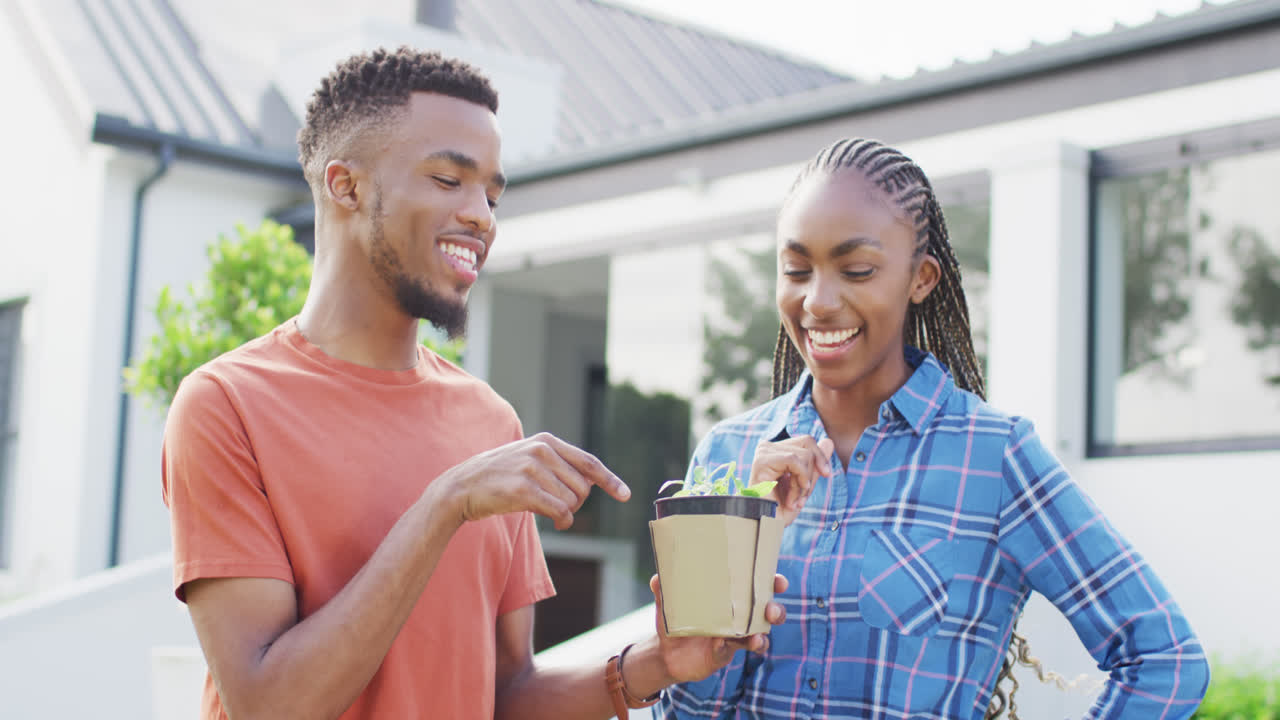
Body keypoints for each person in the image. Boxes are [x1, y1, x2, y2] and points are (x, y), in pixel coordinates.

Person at [161, 47, 785, 720]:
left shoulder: (487, 422)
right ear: (347, 186)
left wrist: (658, 663)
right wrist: (446, 503)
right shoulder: (227, 406)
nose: (482, 216)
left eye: (491, 193)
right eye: (448, 180)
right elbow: (268, 704)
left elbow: (507, 694)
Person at [658, 138, 1210, 719]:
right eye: (796, 269)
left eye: (857, 270)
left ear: (920, 278)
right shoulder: (729, 456)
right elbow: (690, 708)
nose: (818, 301)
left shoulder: (992, 457)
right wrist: (736, 546)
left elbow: (1166, 661)